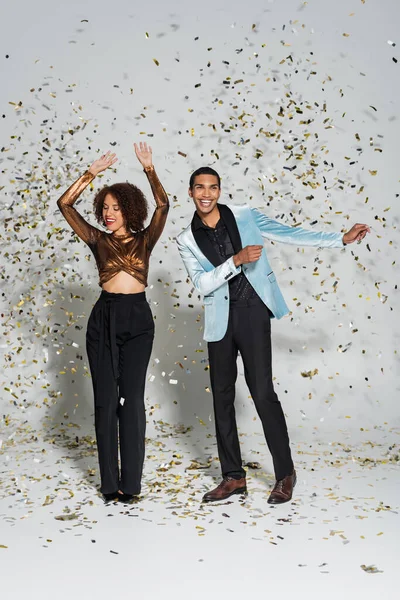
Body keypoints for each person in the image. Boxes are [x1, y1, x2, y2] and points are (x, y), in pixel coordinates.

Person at [176, 166, 369, 504]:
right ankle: (233, 477)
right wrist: (235, 260)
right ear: (190, 192)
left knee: (262, 392)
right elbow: (203, 284)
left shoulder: (244, 216)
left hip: (252, 313)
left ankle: (285, 474)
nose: (206, 193)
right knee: (221, 399)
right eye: (199, 188)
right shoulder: (186, 240)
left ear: (219, 191)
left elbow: (289, 232)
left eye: (213, 187)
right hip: (220, 321)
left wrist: (340, 238)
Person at [57, 143, 169, 503]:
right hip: (103, 318)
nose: (108, 214)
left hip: (138, 318)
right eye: (104, 208)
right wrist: (91, 173)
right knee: (106, 401)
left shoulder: (145, 240)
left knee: (131, 401)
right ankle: (109, 485)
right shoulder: (96, 239)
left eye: (115, 208)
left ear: (130, 210)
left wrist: (149, 169)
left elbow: (164, 206)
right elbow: (65, 205)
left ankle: (131, 486)